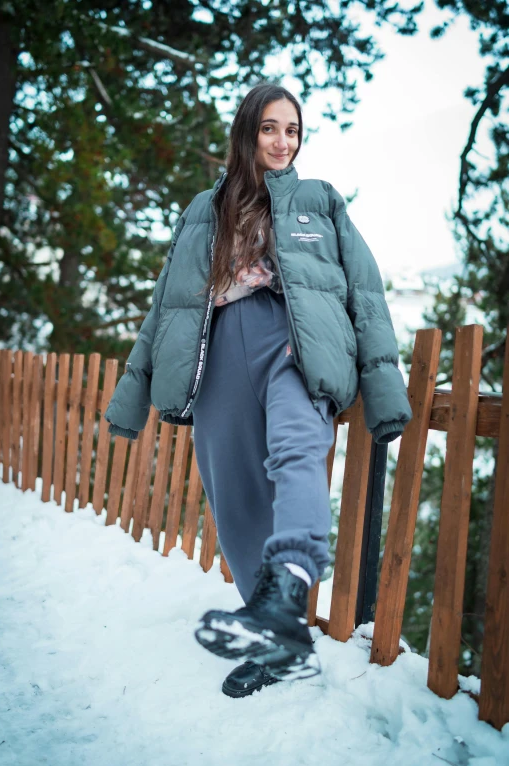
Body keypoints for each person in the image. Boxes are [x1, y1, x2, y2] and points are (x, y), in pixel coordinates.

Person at [104, 83, 413, 699]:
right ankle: (276, 636)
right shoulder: (202, 211)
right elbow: (167, 307)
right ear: (247, 133)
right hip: (219, 351)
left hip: (292, 341)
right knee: (234, 489)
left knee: (297, 449)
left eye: (292, 130)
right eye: (270, 128)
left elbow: (366, 293)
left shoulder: (320, 201)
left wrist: (383, 389)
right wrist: (129, 399)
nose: (282, 141)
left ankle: (288, 585)